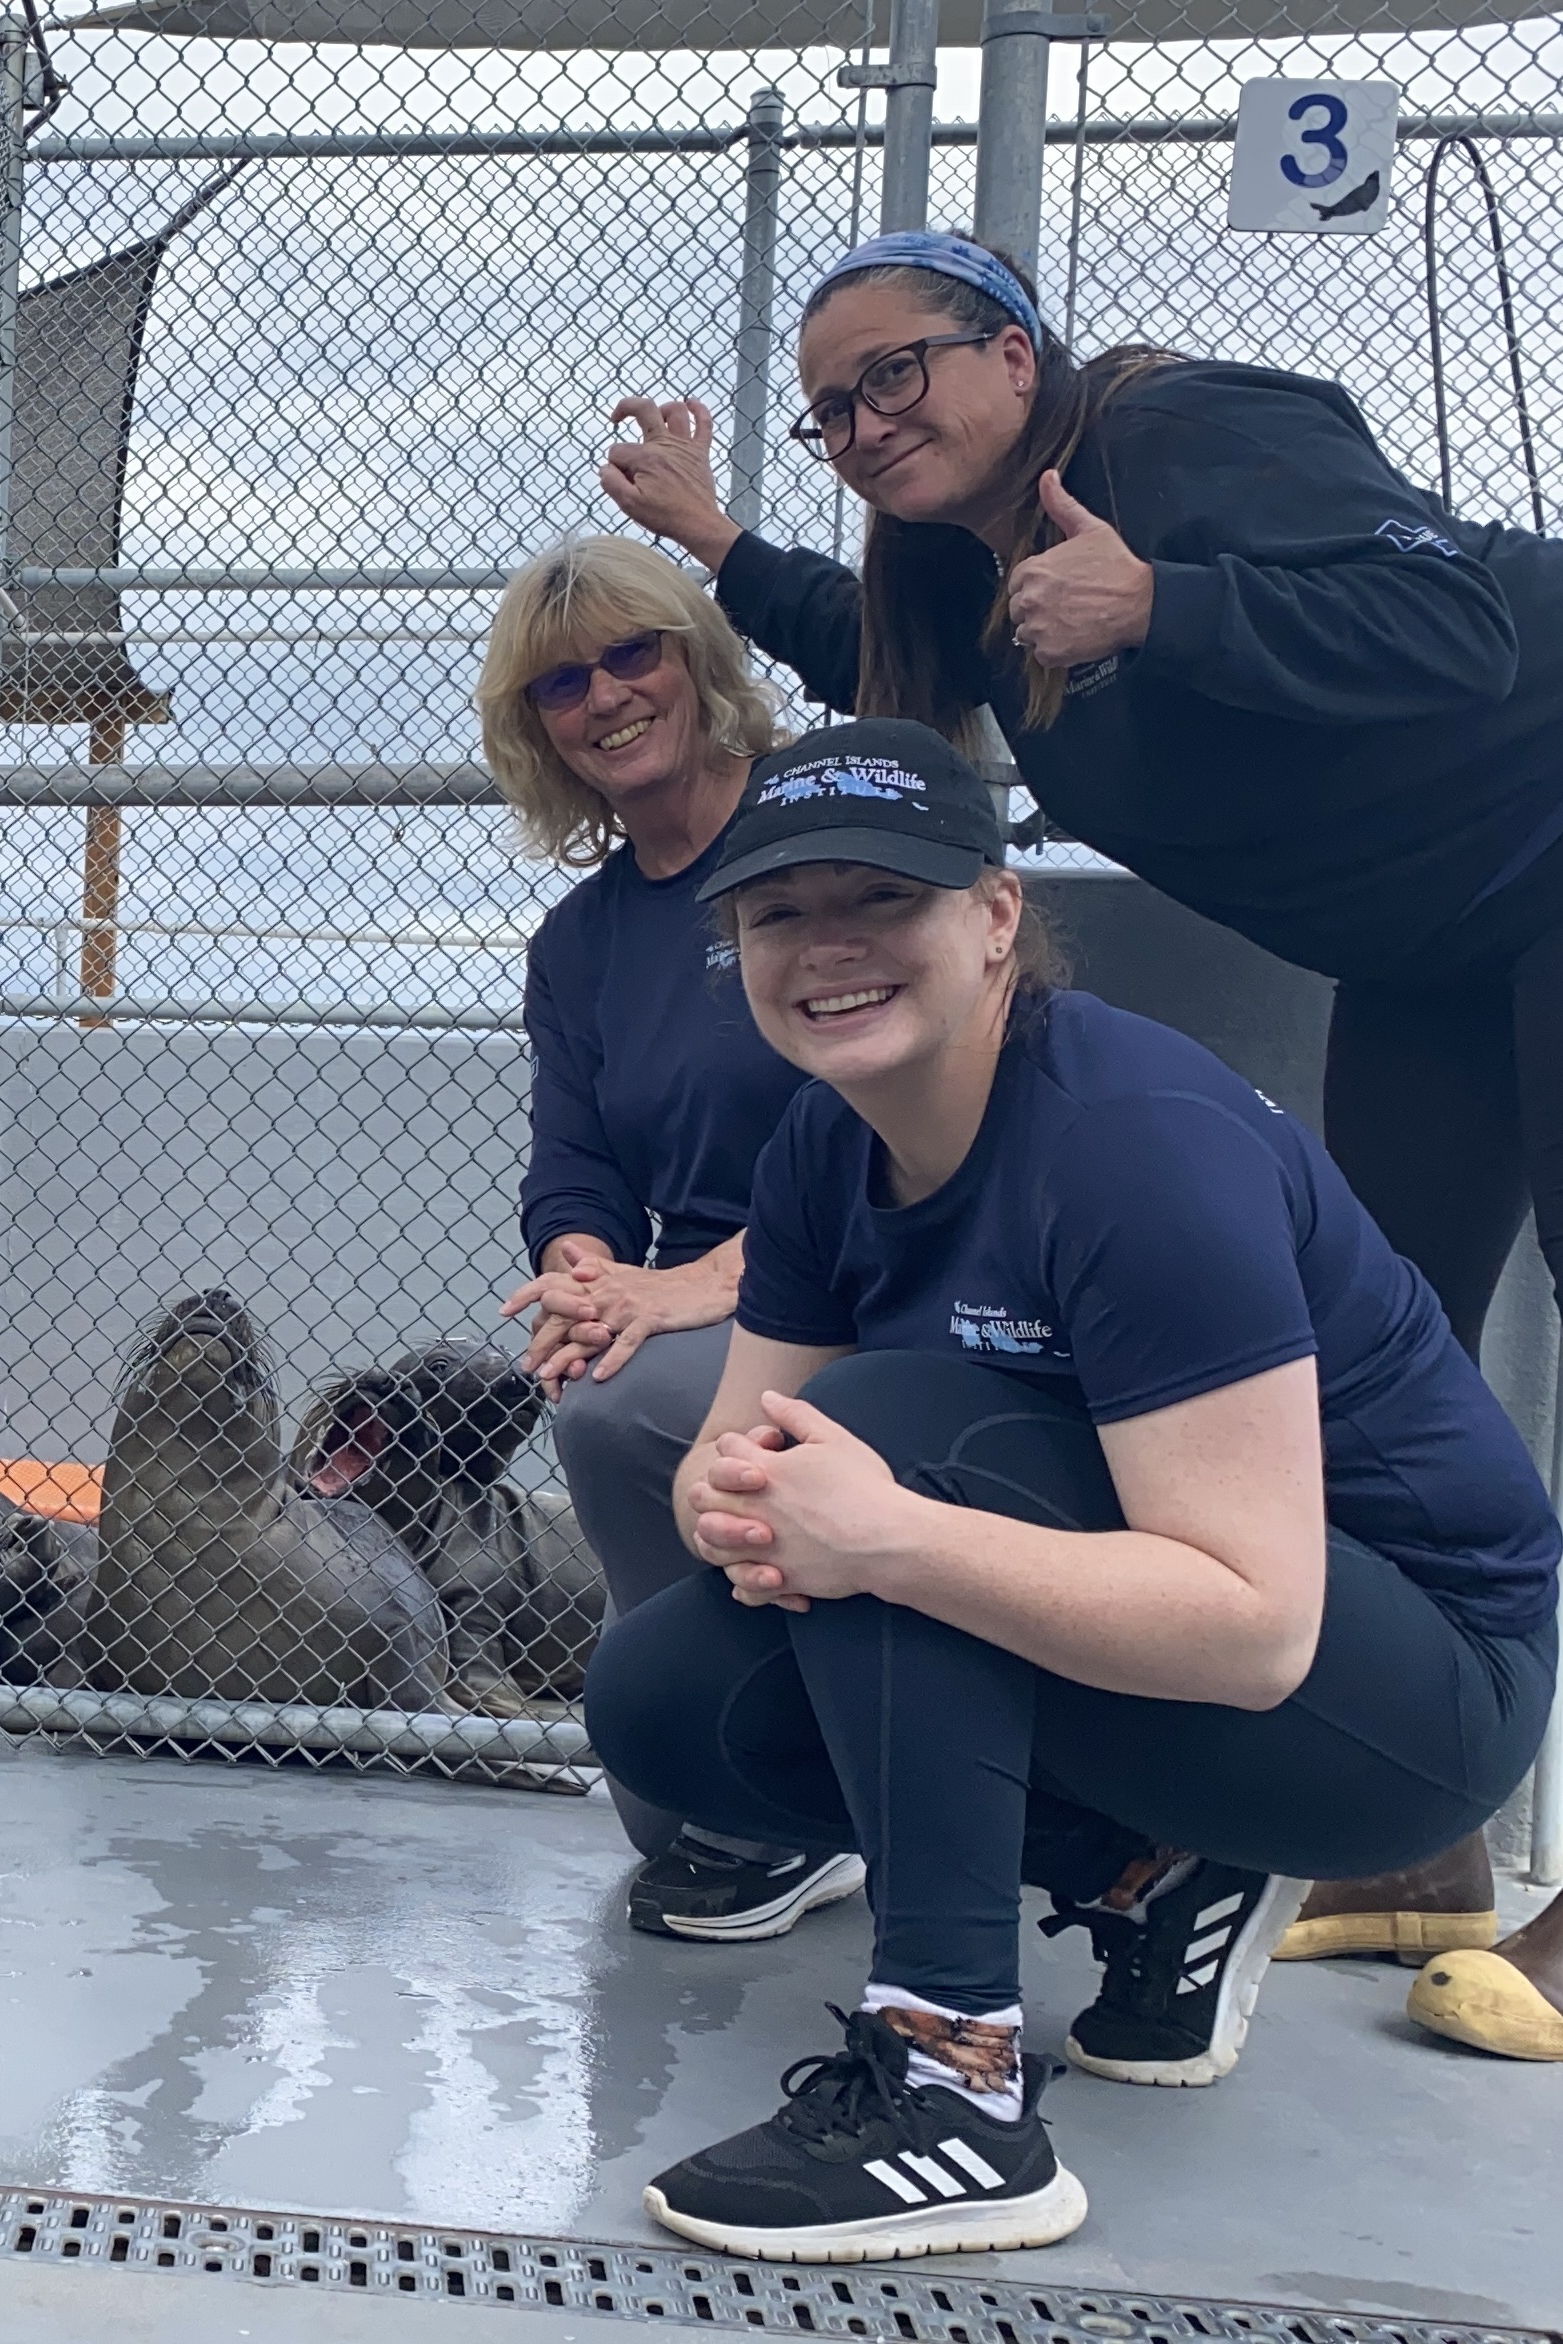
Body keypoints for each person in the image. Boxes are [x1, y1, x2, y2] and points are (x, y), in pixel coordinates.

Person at [601, 229, 1563, 2064]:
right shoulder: (961, 570)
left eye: (894, 374)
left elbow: (1454, 622)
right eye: (826, 407)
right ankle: (1406, 1839)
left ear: (1013, 353)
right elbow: (892, 656)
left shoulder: (1177, 437)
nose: (856, 424)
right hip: (1430, 922)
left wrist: (1168, 603)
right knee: (1355, 1342)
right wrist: (718, 548)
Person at [587, 721, 1557, 2262]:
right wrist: (736, 1504)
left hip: (1407, 1685)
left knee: (888, 1436)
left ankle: (955, 2086)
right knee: (661, 1698)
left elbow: (1255, 1631)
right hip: (1163, 1630)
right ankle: (1155, 1876)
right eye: (778, 915)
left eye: (880, 900)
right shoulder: (821, 1149)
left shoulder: (1130, 1147)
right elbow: (745, 1437)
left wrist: (888, 1533)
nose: (826, 949)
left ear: (992, 918)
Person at [478, 534, 855, 1947]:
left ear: (699, 663)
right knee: (602, 1374)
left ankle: (790, 1792)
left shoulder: (816, 847)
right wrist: (584, 1272)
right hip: (699, 1289)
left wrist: (695, 1284)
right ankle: (724, 1749)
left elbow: (890, 1126)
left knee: (636, 1410)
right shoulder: (579, 943)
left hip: (885, 1267)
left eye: (634, 654)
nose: (606, 695)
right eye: (563, 681)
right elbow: (573, 1160)